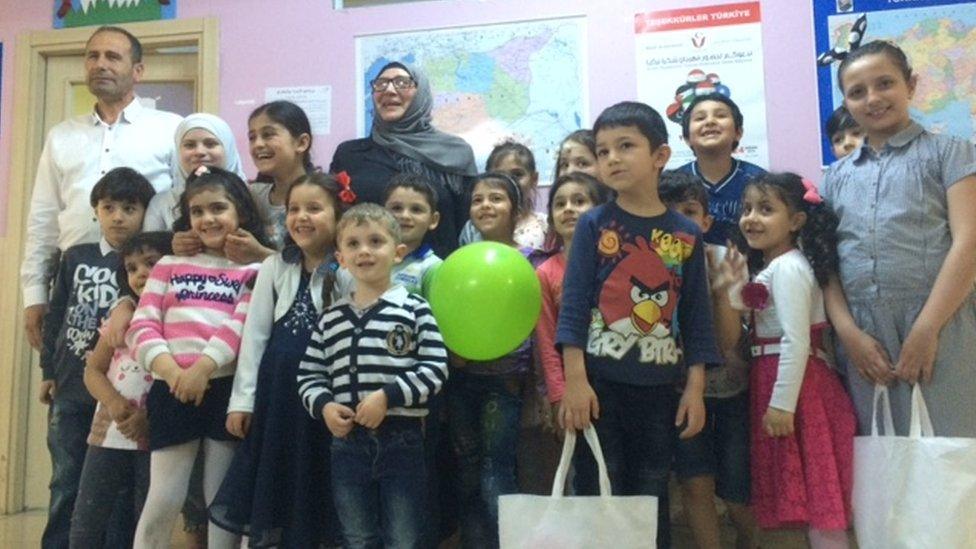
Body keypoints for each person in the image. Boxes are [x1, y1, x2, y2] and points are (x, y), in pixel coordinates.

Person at [556, 102, 720, 549]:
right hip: (598, 389)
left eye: (625, 146)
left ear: (660, 156)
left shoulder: (686, 233)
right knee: (597, 495)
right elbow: (573, 306)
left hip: (657, 391)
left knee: (649, 500)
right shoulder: (594, 224)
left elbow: (696, 318)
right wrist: (575, 381)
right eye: (603, 150)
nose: (612, 158)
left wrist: (695, 388)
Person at [822, 40, 976, 438]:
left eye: (885, 83)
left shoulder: (952, 153)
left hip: (941, 323)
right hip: (864, 338)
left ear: (911, 84)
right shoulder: (836, 177)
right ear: (845, 101)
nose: (872, 99)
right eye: (857, 92)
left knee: (951, 459)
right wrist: (849, 335)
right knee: (878, 466)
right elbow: (825, 264)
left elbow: (969, 243)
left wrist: (926, 330)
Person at [129, 167, 268, 548]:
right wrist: (172, 371)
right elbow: (141, 325)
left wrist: (203, 369)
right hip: (170, 388)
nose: (208, 219)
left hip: (224, 391)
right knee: (164, 497)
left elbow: (241, 328)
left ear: (240, 211)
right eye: (198, 211)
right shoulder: (167, 265)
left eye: (218, 208)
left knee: (220, 502)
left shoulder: (254, 270)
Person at [210, 172, 350, 548]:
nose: (302, 217)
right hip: (277, 401)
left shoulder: (351, 270)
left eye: (315, 208)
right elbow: (254, 339)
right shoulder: (275, 266)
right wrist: (242, 401)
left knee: (321, 492)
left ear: (339, 215)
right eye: (294, 209)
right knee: (277, 491)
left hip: (325, 402)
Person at [297, 203, 449, 549]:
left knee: (404, 536)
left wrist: (388, 396)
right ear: (341, 257)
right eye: (353, 244)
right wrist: (324, 407)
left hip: (403, 440)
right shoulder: (331, 318)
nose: (364, 251)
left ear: (397, 252)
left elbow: (435, 368)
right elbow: (309, 374)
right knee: (356, 536)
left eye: (375, 241)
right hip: (346, 445)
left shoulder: (414, 309)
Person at [22, 25, 181, 353]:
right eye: (92, 56)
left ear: (137, 70)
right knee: (71, 387)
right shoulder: (62, 136)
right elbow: (43, 220)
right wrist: (34, 294)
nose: (100, 64)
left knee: (135, 388)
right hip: (74, 281)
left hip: (147, 281)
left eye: (112, 56)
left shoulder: (171, 129)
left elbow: (184, 206)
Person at [729, 172, 856, 548]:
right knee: (809, 493)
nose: (752, 218)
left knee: (820, 494)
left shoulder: (789, 267)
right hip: (779, 381)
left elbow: (796, 341)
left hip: (800, 390)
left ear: (796, 220)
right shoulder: (774, 267)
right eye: (747, 208)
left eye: (766, 210)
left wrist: (782, 405)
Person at [39, 167, 155, 548]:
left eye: (129, 207)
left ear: (144, 212)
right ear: (95, 211)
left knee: (122, 489)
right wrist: (48, 371)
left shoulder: (147, 261)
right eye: (109, 207)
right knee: (67, 478)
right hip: (74, 384)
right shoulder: (75, 256)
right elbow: (56, 316)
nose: (118, 216)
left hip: (122, 394)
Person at [659, 170, 757, 549]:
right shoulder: (647, 265)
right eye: (668, 211)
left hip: (729, 392)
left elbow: (726, 343)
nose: (679, 220)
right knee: (695, 485)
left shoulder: (723, 259)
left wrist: (720, 293)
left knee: (735, 491)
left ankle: (750, 540)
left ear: (706, 221)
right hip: (678, 393)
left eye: (689, 210)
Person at [449, 173, 541, 547]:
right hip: (461, 379)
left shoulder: (530, 264)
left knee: (496, 469)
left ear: (516, 211)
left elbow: (533, 325)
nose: (485, 205)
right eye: (477, 200)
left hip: (505, 383)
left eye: (496, 198)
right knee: (467, 470)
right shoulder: (457, 263)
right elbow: (449, 313)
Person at [70, 231, 172, 548]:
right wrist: (113, 402)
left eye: (151, 263)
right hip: (108, 432)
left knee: (146, 519)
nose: (141, 273)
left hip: (156, 435)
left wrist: (149, 415)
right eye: (132, 267)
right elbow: (93, 370)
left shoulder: (181, 318)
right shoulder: (122, 319)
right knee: (88, 519)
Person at [330, 61, 477, 258]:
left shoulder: (456, 153)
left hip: (438, 276)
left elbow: (467, 226)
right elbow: (335, 221)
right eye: (381, 84)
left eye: (402, 83)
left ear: (421, 93)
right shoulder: (349, 154)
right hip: (365, 276)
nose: (389, 90)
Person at [535, 172, 606, 405]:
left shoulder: (614, 263)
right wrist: (558, 395)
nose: (568, 209)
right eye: (559, 204)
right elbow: (547, 341)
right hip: (571, 387)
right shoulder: (545, 272)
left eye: (579, 201)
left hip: (614, 376)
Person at [677, 93, 766, 245]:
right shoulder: (674, 184)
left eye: (720, 115)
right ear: (686, 138)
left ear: (738, 133)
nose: (710, 121)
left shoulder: (759, 182)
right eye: (700, 118)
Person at [144, 113, 248, 232]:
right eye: (190, 145)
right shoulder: (162, 203)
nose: (199, 152)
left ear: (228, 148)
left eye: (210, 144)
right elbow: (149, 247)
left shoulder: (251, 195)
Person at [459, 140, 548, 249]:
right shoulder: (472, 228)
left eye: (517, 175)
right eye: (499, 175)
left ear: (534, 179)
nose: (509, 181)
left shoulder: (545, 226)